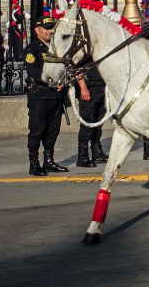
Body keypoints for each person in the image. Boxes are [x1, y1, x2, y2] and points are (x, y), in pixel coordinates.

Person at [24, 14, 85, 176]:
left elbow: (65, 67)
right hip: (40, 95)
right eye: (47, 28)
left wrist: (63, 81)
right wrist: (51, 81)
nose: (50, 31)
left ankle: (49, 160)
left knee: (53, 130)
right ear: (37, 30)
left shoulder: (57, 47)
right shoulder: (33, 49)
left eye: (52, 28)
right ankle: (34, 163)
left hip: (56, 96)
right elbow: (34, 71)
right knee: (37, 130)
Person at [74, 55, 107, 168]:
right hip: (90, 88)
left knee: (98, 123)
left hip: (102, 88)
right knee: (87, 124)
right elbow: (77, 69)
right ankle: (82, 156)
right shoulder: (85, 52)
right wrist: (83, 87)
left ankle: (96, 152)